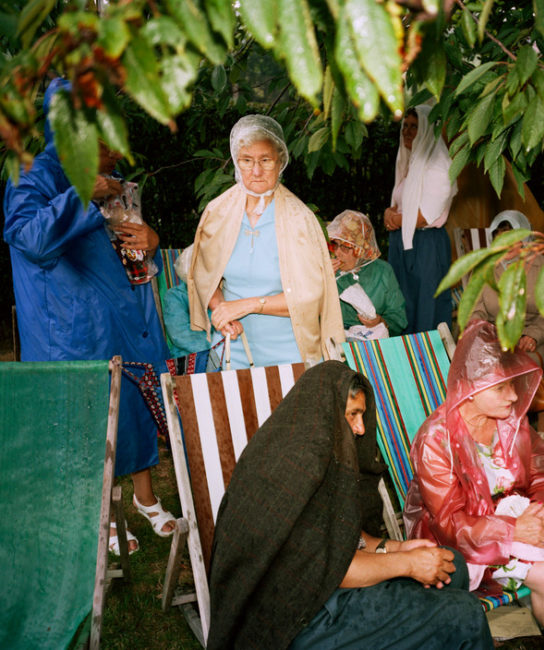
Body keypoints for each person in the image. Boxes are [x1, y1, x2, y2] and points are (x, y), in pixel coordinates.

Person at [206, 361, 492, 650]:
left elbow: (343, 538)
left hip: (326, 591)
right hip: (297, 622)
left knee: (451, 565)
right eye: (352, 415)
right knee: (464, 614)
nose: (360, 428)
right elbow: (327, 568)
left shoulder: (317, 453)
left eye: (362, 416)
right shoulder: (292, 469)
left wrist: (395, 548)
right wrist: (407, 564)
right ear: (324, 413)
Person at [3, 77, 176, 554]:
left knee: (136, 410)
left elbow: (128, 251)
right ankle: (100, 516)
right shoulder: (33, 176)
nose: (116, 153)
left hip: (126, 319)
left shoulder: (115, 184)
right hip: (71, 331)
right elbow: (29, 238)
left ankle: (144, 498)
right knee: (85, 424)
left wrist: (153, 243)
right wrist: (81, 193)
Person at [404, 320, 544, 650]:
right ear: (469, 388)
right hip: (465, 536)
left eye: (513, 384)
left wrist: (543, 508)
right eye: (501, 387)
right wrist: (511, 531)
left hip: (518, 517)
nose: (513, 395)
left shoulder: (509, 419)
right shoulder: (435, 440)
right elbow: (449, 523)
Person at [187, 114, 343, 368]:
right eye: (247, 161)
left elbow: (310, 297)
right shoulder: (218, 212)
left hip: (289, 352)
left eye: (265, 160)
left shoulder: (300, 219)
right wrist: (223, 310)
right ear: (236, 162)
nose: (256, 171)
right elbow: (206, 276)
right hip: (232, 348)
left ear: (281, 161)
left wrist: (248, 305)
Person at [471, 210, 544, 440]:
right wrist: (484, 333)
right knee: (487, 359)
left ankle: (542, 412)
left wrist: (533, 335)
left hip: (542, 334)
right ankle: (500, 420)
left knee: (528, 360)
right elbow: (476, 309)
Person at [384, 105, 457, 334]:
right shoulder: (411, 163)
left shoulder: (438, 167)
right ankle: (406, 363)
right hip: (403, 243)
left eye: (414, 127)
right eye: (405, 126)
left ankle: (430, 363)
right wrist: (390, 214)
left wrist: (395, 219)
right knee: (402, 305)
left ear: (426, 130)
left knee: (428, 310)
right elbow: (399, 205)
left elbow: (423, 217)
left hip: (426, 247)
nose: (406, 131)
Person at [327, 209, 407, 338]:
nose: (337, 253)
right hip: (335, 342)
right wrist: (322, 279)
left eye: (345, 247)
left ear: (361, 250)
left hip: (374, 342)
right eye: (335, 245)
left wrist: (380, 321)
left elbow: (398, 317)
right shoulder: (327, 270)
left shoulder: (383, 272)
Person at [162, 245, 212, 358]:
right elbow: (180, 334)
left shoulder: (224, 293)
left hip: (226, 354)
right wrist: (217, 347)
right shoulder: (175, 296)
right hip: (191, 357)